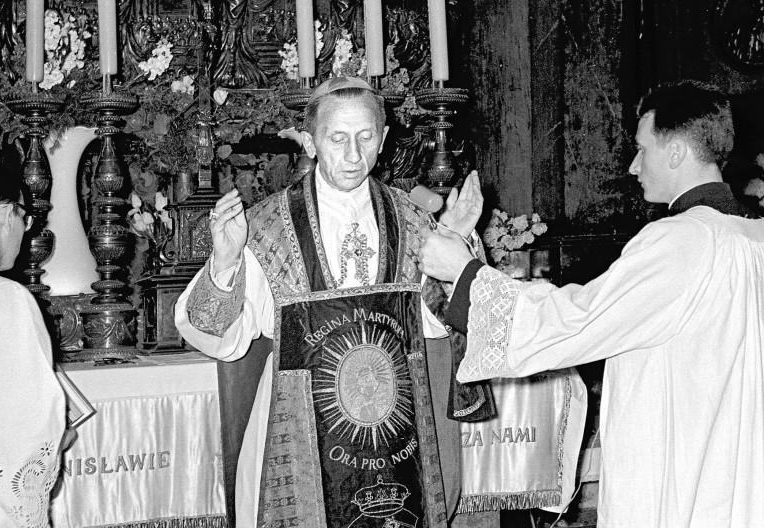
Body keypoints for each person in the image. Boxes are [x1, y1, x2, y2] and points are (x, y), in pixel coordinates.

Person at [419, 79, 764, 527]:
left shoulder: (682, 240)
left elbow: (575, 323)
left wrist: (464, 273)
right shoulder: (753, 235)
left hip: (684, 469)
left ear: (676, 152)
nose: (634, 166)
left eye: (643, 149)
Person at [175, 76, 483, 527]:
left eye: (365, 137)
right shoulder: (265, 226)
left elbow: (440, 328)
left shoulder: (414, 219)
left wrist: (455, 250)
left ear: (384, 137)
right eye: (338, 138)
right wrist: (224, 263)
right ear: (311, 141)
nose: (354, 156)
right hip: (295, 429)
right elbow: (221, 339)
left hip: (397, 437)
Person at [0, 158, 66, 527]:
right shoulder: (1, 297)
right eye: (26, 219)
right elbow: (24, 427)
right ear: (6, 213)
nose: (26, 231)